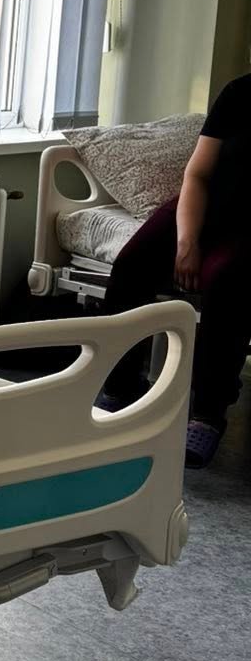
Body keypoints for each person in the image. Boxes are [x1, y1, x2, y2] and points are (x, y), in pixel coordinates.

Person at [102, 75, 251, 468]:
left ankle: (207, 414)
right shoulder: (240, 93)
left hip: (246, 228)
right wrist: (187, 242)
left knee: (227, 282)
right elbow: (197, 175)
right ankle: (120, 387)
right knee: (131, 265)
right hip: (203, 204)